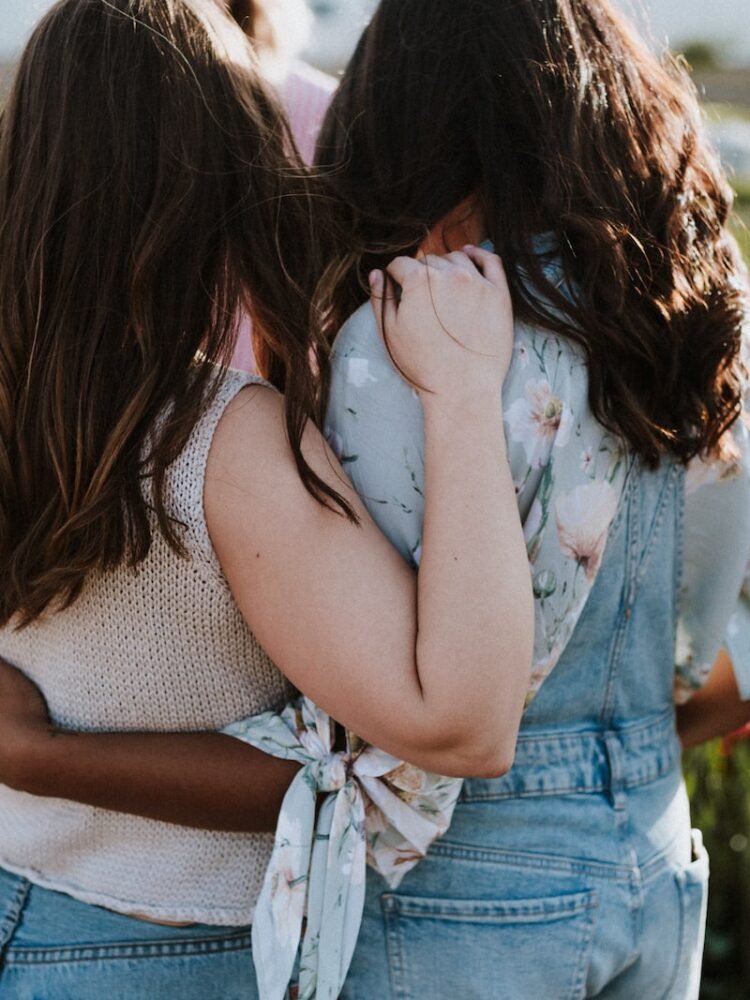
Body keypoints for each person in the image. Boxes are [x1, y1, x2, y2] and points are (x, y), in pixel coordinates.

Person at [1, 0, 749, 997]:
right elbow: (706, 669)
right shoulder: (697, 326)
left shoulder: (390, 350)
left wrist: (42, 755)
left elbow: (367, 742)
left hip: (444, 898)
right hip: (650, 854)